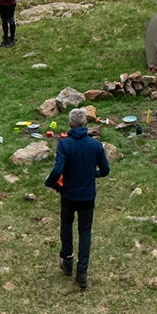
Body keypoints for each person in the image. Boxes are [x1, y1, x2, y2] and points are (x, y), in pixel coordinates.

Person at [47, 107, 109, 290]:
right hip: (88, 195)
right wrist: (92, 174)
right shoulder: (96, 145)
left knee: (66, 224)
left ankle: (67, 261)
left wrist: (49, 182)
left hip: (69, 195)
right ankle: (82, 273)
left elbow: (58, 169)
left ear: (70, 124)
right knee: (85, 232)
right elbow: (105, 171)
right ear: (86, 124)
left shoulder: (64, 145)